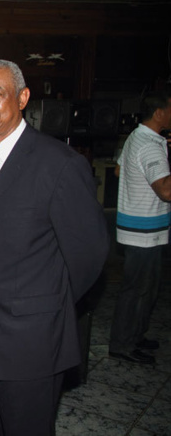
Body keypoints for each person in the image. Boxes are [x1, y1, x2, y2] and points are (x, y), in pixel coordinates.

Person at [0, 59, 109, 435]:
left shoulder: (60, 164)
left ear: (22, 98)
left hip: (30, 344)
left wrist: (46, 308)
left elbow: (90, 253)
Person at [109, 92, 171, 365]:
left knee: (145, 288)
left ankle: (135, 335)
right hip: (144, 231)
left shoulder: (136, 136)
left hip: (139, 226)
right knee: (139, 290)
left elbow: (119, 171)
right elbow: (166, 191)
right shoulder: (149, 145)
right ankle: (123, 344)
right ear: (158, 112)